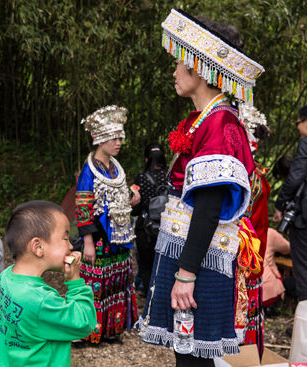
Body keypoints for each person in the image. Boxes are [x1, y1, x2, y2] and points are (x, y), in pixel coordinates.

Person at [137, 9, 263, 366]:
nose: (174, 72)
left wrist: (186, 274)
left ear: (200, 68)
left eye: (180, 65)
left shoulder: (220, 126)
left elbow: (208, 208)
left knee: (193, 360)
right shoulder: (203, 122)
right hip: (189, 253)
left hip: (199, 261)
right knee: (187, 356)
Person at [0, 200, 96, 366]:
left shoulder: (5, 278)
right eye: (65, 238)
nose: (71, 245)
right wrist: (75, 282)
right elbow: (85, 322)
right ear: (38, 247)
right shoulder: (41, 300)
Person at [75, 105, 140, 343]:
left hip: (119, 239)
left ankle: (111, 330)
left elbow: (115, 201)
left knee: (116, 283)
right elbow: (83, 208)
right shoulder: (89, 170)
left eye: (120, 137)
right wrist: (88, 242)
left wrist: (131, 197)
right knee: (96, 286)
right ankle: (89, 332)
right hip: (100, 240)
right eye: (113, 138)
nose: (118, 142)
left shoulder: (114, 167)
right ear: (100, 139)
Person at [235, 105, 271, 355]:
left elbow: (259, 222)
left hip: (243, 250)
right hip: (244, 249)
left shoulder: (252, 175)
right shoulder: (253, 173)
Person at [273, 104, 307, 363]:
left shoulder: (306, 144)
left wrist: (280, 204)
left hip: (304, 221)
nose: (297, 128)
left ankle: (303, 335)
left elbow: (295, 178)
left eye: (298, 123)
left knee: (303, 272)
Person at [131, 143, 168, 294]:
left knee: (146, 266)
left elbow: (135, 210)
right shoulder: (171, 177)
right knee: (165, 266)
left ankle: (148, 296)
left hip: (145, 230)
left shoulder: (140, 179)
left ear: (146, 159)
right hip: (167, 228)